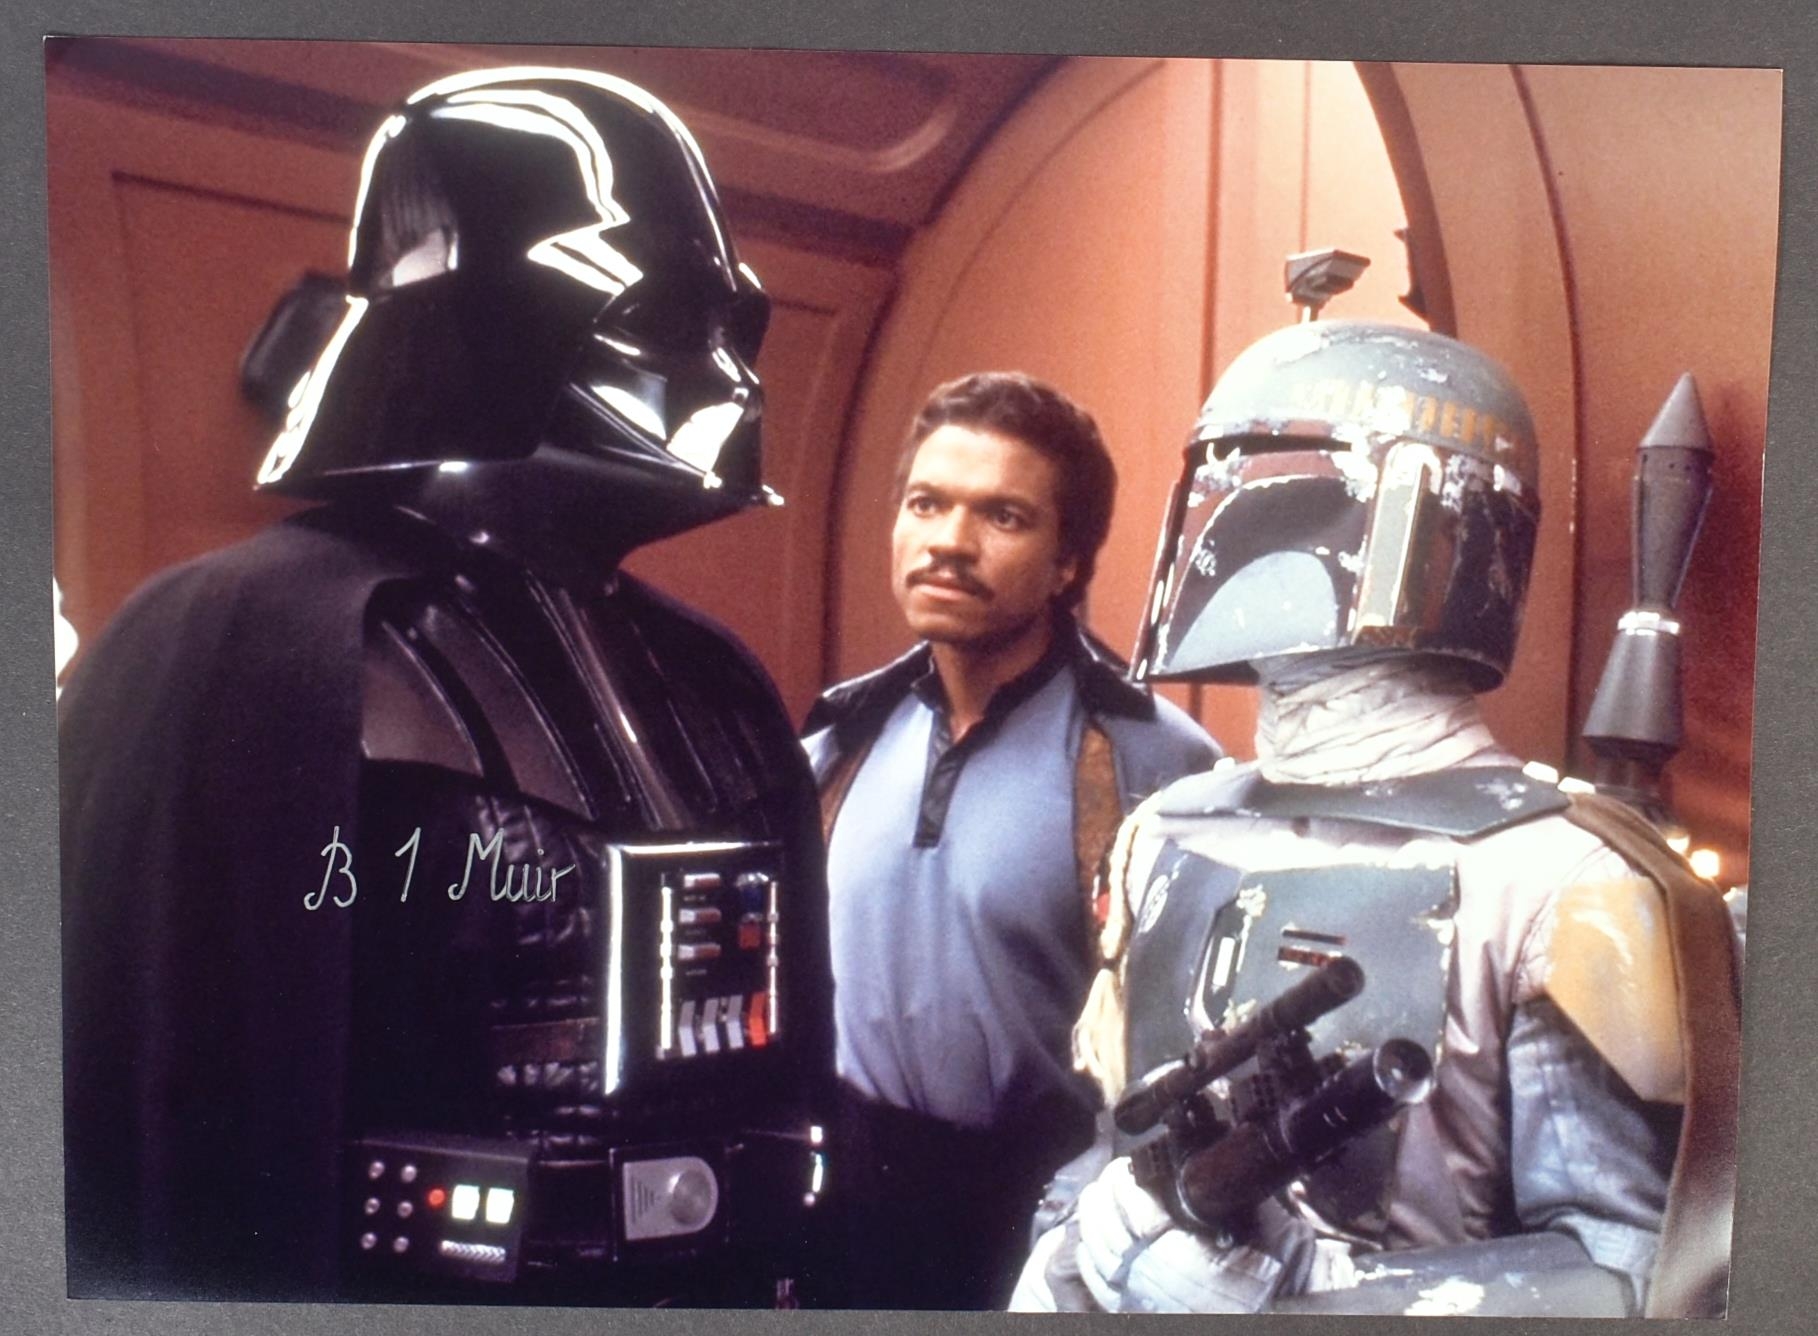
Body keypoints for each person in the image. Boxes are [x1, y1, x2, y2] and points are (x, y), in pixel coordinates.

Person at [60, 68, 834, 1304]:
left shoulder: (711, 678)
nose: (729, 380)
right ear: (489, 312)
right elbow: (145, 1082)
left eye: (736, 331)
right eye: (670, 317)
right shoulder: (221, 644)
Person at [1011, 319, 1739, 1318]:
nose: (1242, 524)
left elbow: (1639, 1269)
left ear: (1439, 530)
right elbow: (1119, 1131)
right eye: (1231, 480)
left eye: (1292, 485)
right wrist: (1075, 1247)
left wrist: (1332, 1294)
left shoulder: (1565, 879)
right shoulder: (1168, 830)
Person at [802, 372, 1221, 1308]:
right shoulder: (838, 741)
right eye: (926, 504)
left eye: (1002, 516)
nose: (949, 541)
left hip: (1044, 1224)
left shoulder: (1155, 762)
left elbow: (1193, 1056)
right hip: (847, 1214)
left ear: (1067, 561)